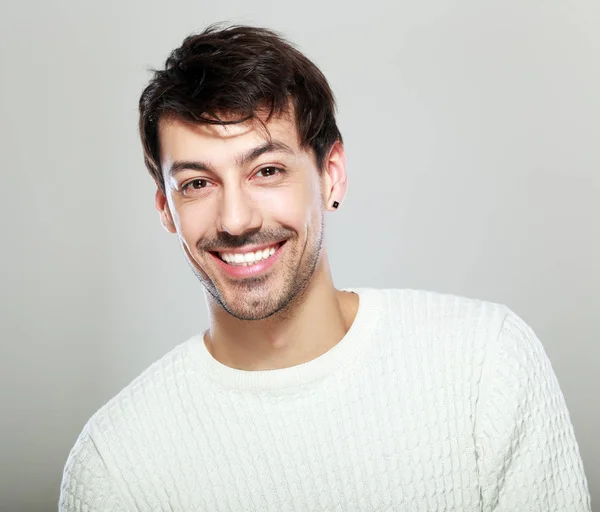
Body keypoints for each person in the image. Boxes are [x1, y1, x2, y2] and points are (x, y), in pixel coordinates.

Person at [59, 24, 591, 511]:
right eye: (197, 183)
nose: (236, 219)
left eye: (266, 170)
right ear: (166, 210)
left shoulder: (486, 364)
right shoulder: (115, 465)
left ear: (331, 176)